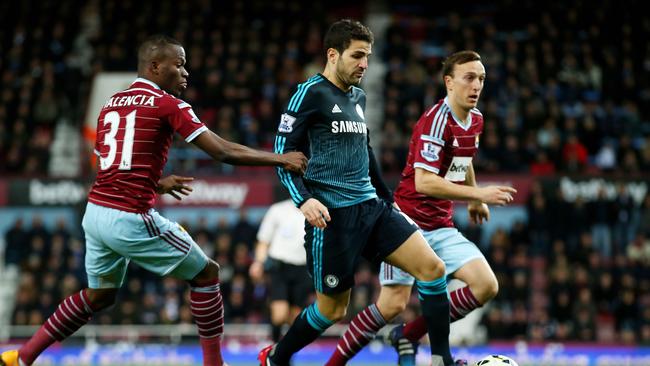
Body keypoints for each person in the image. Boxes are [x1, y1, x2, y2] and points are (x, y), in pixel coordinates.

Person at [0, 35, 307, 366]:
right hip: (128, 217)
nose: (186, 72)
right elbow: (221, 150)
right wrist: (280, 159)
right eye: (179, 64)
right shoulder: (167, 104)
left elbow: (111, 164)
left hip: (95, 214)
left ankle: (22, 356)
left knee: (99, 295)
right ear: (155, 66)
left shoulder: (110, 104)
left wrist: (155, 183)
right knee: (207, 273)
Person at [258, 19, 462, 366]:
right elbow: (282, 151)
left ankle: (441, 359)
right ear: (333, 55)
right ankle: (278, 356)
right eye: (357, 56)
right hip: (332, 217)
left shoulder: (359, 97)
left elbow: (365, 151)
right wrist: (304, 198)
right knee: (332, 310)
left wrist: (388, 199)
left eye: (367, 56)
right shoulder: (310, 93)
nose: (364, 64)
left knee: (432, 268)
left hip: (371, 207)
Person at [325, 50, 517, 366]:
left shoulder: (476, 119)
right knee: (390, 305)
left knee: (486, 286)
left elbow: (462, 159)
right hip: (405, 226)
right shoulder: (435, 121)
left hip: (441, 224)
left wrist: (475, 199)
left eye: (481, 78)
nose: (476, 85)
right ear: (449, 82)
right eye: (469, 78)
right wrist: (478, 192)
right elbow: (424, 183)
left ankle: (408, 335)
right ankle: (333, 365)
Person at [249, 198, 313, 342]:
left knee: (295, 318)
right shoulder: (278, 210)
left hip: (303, 269)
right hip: (280, 267)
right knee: (279, 315)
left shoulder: (315, 209)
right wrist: (258, 263)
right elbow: (264, 240)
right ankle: (274, 351)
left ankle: (284, 356)